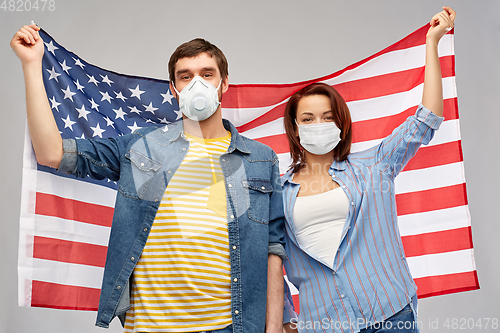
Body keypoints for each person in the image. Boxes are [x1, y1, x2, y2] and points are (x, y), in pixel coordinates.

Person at [11, 26, 286, 333]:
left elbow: (273, 251)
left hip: (230, 326)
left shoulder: (260, 158)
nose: (197, 83)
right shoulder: (140, 147)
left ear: (223, 84)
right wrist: (32, 64)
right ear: (174, 88)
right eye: (186, 76)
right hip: (151, 326)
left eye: (207, 74)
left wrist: (273, 330)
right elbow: (52, 153)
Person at [281, 7, 456, 333]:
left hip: (391, 315)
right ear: (294, 128)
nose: (318, 125)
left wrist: (432, 43)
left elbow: (427, 118)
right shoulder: (276, 194)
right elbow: (268, 262)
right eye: (307, 118)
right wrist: (285, 322)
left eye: (327, 116)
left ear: (341, 122)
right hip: (324, 325)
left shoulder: (375, 164)